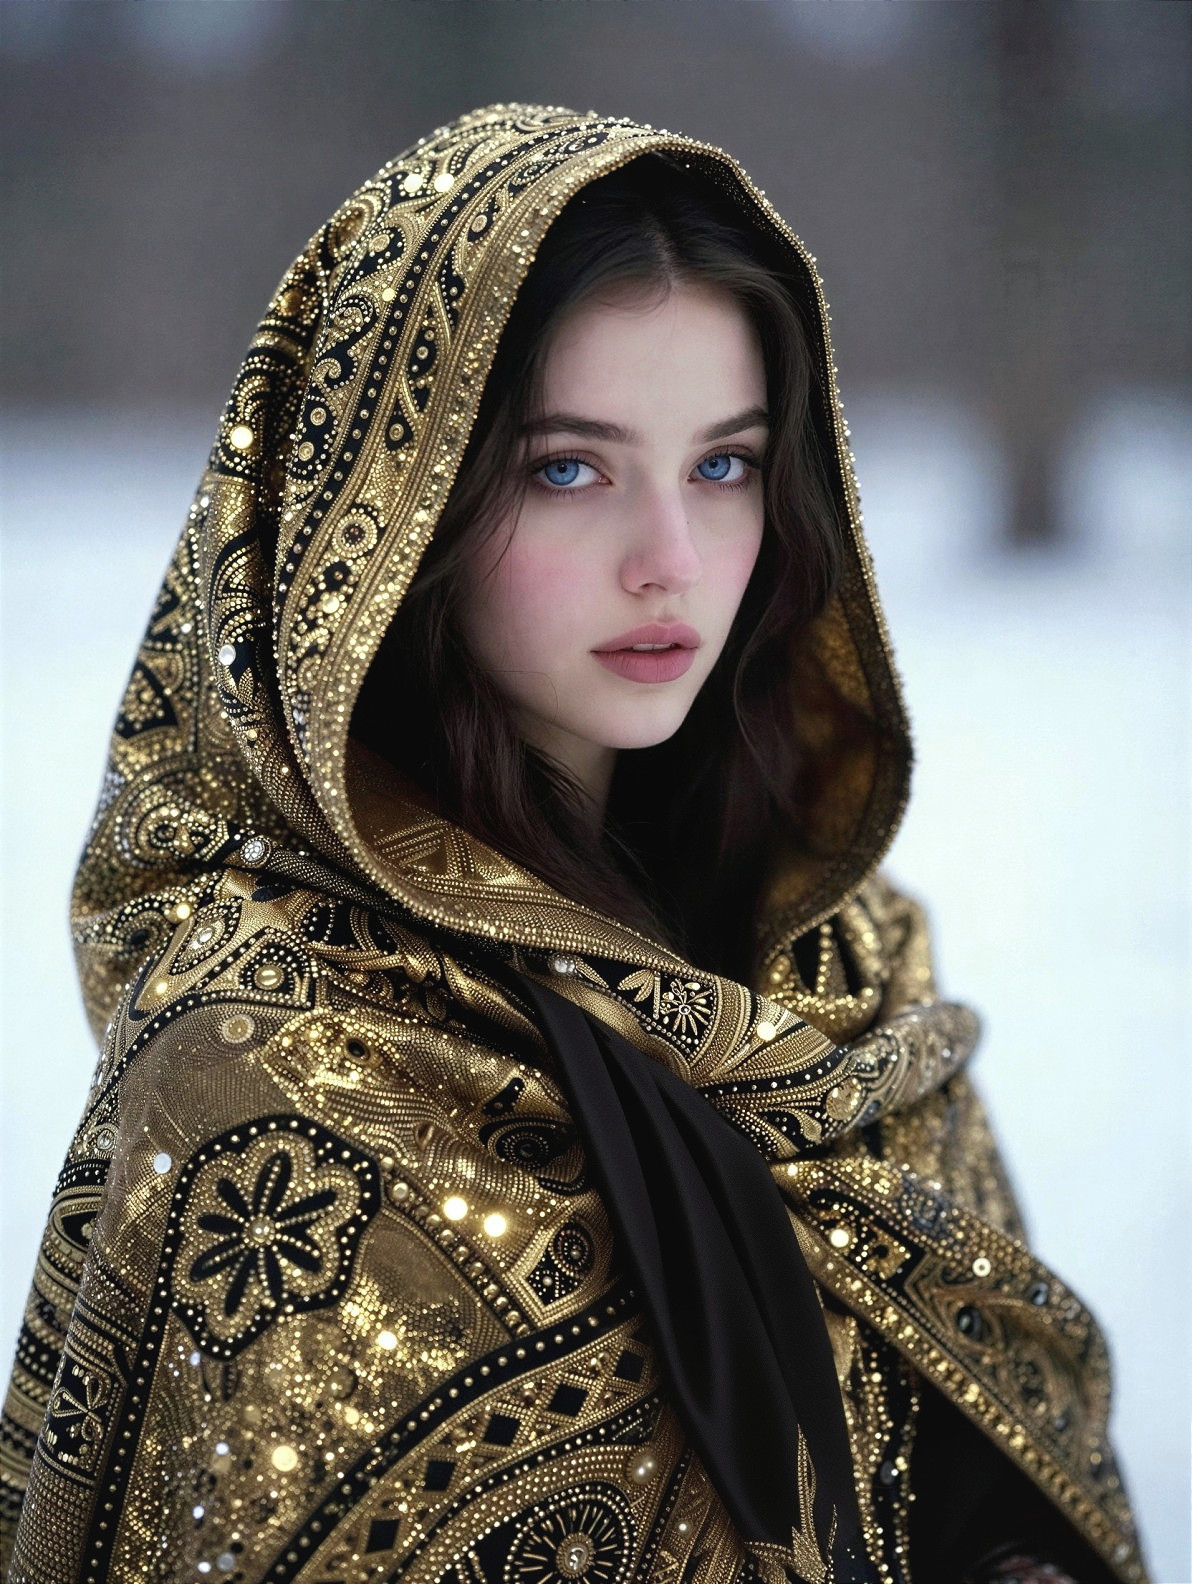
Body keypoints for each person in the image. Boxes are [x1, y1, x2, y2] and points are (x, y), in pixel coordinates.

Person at [0, 104, 1146, 1584]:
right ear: (387, 505)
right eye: (568, 468)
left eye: (726, 465)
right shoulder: (257, 1072)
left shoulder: (842, 960)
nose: (670, 556)